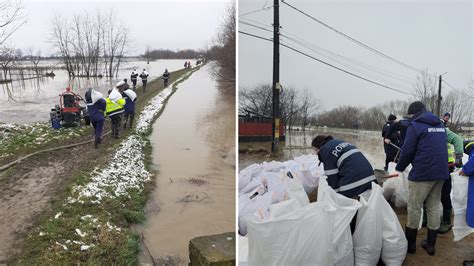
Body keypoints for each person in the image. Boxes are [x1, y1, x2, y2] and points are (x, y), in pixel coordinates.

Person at [394, 101, 448, 256]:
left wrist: (399, 168)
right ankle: (431, 245)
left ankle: (411, 244)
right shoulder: (439, 124)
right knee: (433, 206)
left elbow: (408, 150)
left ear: (413, 113)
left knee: (414, 206)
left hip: (423, 173)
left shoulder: (416, 125)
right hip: (441, 172)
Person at [311, 135, 376, 199]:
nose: (316, 154)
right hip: (371, 180)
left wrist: (334, 197)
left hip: (354, 184)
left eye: (315, 150)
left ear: (318, 148)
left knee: (338, 199)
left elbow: (332, 178)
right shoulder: (339, 142)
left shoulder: (326, 150)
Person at [437, 128, 464, 234]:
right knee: (428, 194)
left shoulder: (442, 130)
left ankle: (447, 222)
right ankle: (427, 219)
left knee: (444, 194)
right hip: (432, 166)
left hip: (446, 167)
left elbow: (458, 139)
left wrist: (458, 157)